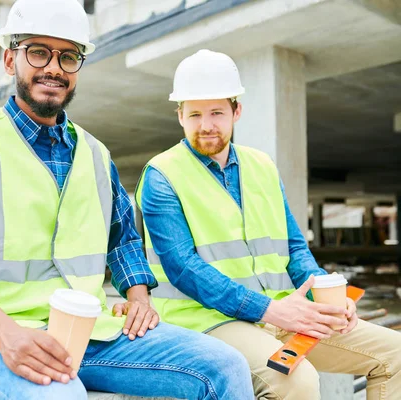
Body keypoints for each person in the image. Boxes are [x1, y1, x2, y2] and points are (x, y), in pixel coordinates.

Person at [0, 1, 255, 399]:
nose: (54, 68)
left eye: (68, 57)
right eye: (38, 52)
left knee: (226, 366)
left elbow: (125, 238)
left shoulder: (96, 154)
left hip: (88, 327)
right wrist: (9, 336)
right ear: (11, 61)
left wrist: (138, 297)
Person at [135, 49, 401, 399]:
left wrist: (329, 298)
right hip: (208, 321)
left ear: (236, 111)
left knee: (394, 354)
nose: (206, 125)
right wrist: (271, 310)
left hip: (279, 311)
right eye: (194, 114)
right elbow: (184, 267)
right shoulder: (161, 175)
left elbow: (293, 245)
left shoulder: (261, 165)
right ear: (180, 115)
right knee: (297, 380)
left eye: (216, 112)